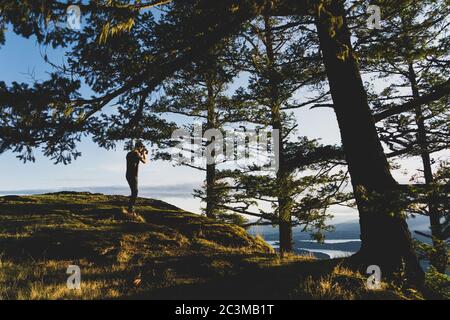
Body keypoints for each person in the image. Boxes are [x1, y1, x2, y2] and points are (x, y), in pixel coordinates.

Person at [126, 140, 148, 214]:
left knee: (133, 191)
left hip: (128, 174)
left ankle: (130, 207)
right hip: (133, 175)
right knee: (135, 191)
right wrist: (144, 154)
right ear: (139, 147)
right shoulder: (136, 153)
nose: (142, 149)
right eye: (142, 148)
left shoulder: (130, 153)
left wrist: (141, 153)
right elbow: (144, 161)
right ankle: (130, 208)